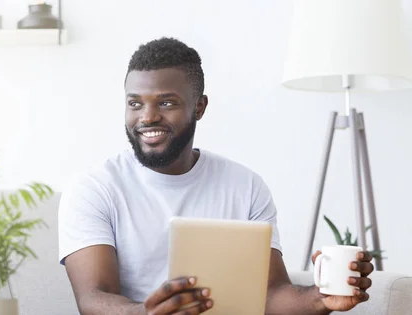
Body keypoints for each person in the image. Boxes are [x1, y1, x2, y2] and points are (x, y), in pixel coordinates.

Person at [57, 37, 374, 315]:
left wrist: (321, 299)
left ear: (199, 107)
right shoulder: (94, 188)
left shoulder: (245, 186)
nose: (147, 116)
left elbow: (271, 294)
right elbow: (93, 298)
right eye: (135, 103)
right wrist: (146, 312)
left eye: (166, 102)